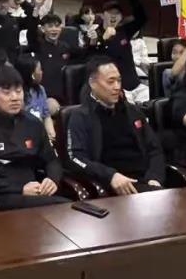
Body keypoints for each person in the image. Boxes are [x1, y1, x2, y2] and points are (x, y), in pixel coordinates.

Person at [0, 66, 68, 211]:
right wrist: (19, 188)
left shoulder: (33, 123)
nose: (15, 97)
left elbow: (51, 160)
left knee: (66, 207)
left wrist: (52, 179)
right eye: (7, 92)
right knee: (62, 208)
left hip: (34, 190)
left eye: (18, 91)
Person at [66, 56, 165, 195]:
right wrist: (110, 175)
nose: (117, 87)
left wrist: (154, 177)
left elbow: (154, 149)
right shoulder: (80, 116)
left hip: (146, 182)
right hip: (112, 185)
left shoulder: (132, 111)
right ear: (92, 83)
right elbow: (76, 158)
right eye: (110, 82)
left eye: (119, 80)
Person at [93, 0, 147, 102]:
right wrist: (103, 40)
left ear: (121, 17)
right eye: (110, 12)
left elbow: (142, 18)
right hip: (116, 90)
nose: (113, 16)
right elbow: (93, 59)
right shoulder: (95, 35)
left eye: (117, 13)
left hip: (136, 86)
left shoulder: (124, 31)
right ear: (102, 15)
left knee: (154, 104)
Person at [27, 12, 83, 102]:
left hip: (64, 93)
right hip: (46, 95)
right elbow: (31, 34)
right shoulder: (38, 46)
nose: (54, 29)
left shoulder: (65, 46)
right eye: (50, 26)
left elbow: (82, 54)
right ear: (42, 29)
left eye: (57, 26)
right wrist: (35, 13)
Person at [14, 54, 57, 141]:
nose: (42, 72)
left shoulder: (40, 90)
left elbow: (46, 115)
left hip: (40, 135)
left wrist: (51, 135)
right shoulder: (17, 94)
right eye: (39, 69)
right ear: (32, 75)